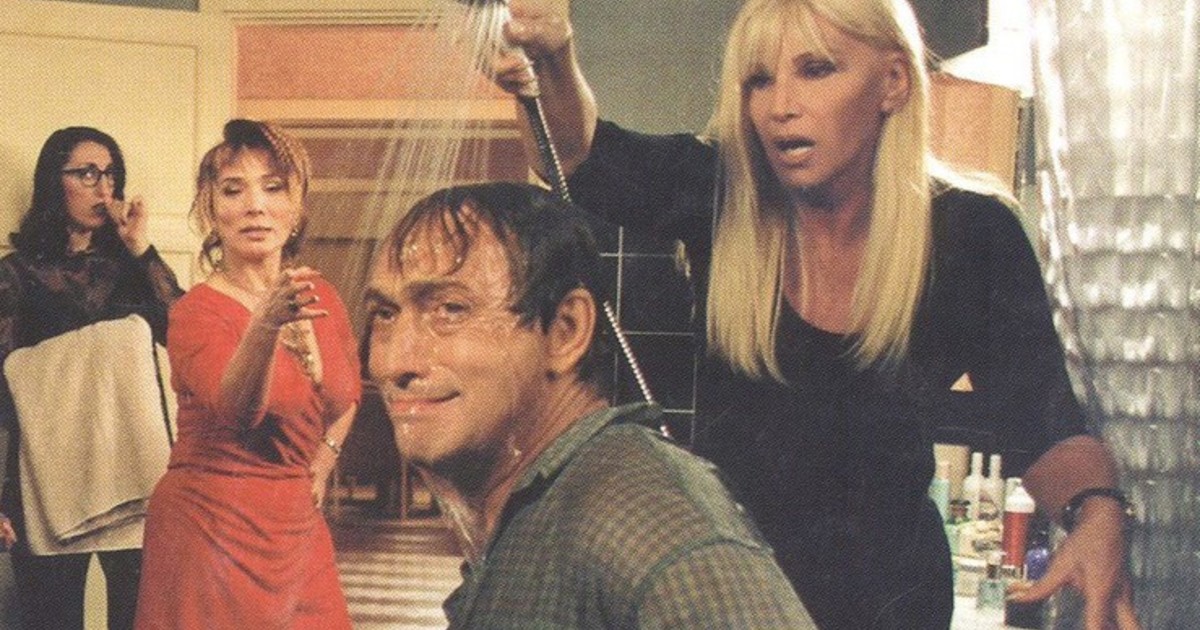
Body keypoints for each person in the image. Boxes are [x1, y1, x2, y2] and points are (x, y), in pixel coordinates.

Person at [494, 1, 1141, 628]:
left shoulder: (971, 235)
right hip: (729, 595)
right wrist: (554, 55)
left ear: (893, 82)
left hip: (891, 604)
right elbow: (578, 157)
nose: (780, 106)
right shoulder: (724, 194)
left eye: (816, 70)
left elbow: (1043, 425)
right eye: (759, 80)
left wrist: (1096, 514)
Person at [364, 182, 816, 628]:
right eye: (385, 315)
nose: (393, 362)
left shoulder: (645, 523)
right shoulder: (546, 509)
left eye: (450, 310)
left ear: (566, 331)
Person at [134, 119, 360, 629]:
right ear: (211, 210)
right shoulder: (195, 312)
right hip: (207, 526)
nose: (255, 205)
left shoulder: (322, 295)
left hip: (296, 525)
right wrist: (264, 327)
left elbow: (347, 393)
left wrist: (324, 460)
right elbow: (237, 411)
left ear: (297, 206)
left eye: (273, 187)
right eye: (234, 190)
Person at [0, 126, 184, 630]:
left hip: (133, 472)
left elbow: (187, 331)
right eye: (86, 173)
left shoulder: (130, 267)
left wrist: (140, 248)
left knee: (139, 618)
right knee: (50, 620)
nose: (103, 188)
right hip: (45, 476)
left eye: (110, 174)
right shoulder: (16, 274)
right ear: (52, 182)